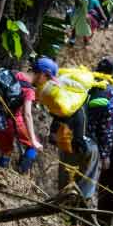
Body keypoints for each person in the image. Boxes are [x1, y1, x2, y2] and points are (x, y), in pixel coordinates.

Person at [32, 56, 100, 200]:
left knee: (71, 174)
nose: (34, 76)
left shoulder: (61, 95)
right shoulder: (55, 92)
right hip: (70, 138)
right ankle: (67, 203)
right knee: (69, 173)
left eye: (36, 73)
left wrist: (78, 137)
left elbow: (76, 114)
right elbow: (62, 114)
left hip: (75, 140)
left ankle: (70, 204)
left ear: (45, 75)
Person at [0, 68, 42, 173]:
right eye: (47, 78)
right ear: (42, 74)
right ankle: (23, 174)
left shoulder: (14, 74)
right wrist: (33, 140)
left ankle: (1, 173)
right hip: (14, 121)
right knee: (34, 146)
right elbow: (27, 114)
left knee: (6, 151)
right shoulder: (29, 90)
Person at [86, 57, 113, 170]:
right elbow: (106, 125)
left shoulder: (85, 82)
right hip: (90, 145)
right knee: (83, 186)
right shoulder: (111, 92)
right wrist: (105, 154)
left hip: (71, 137)